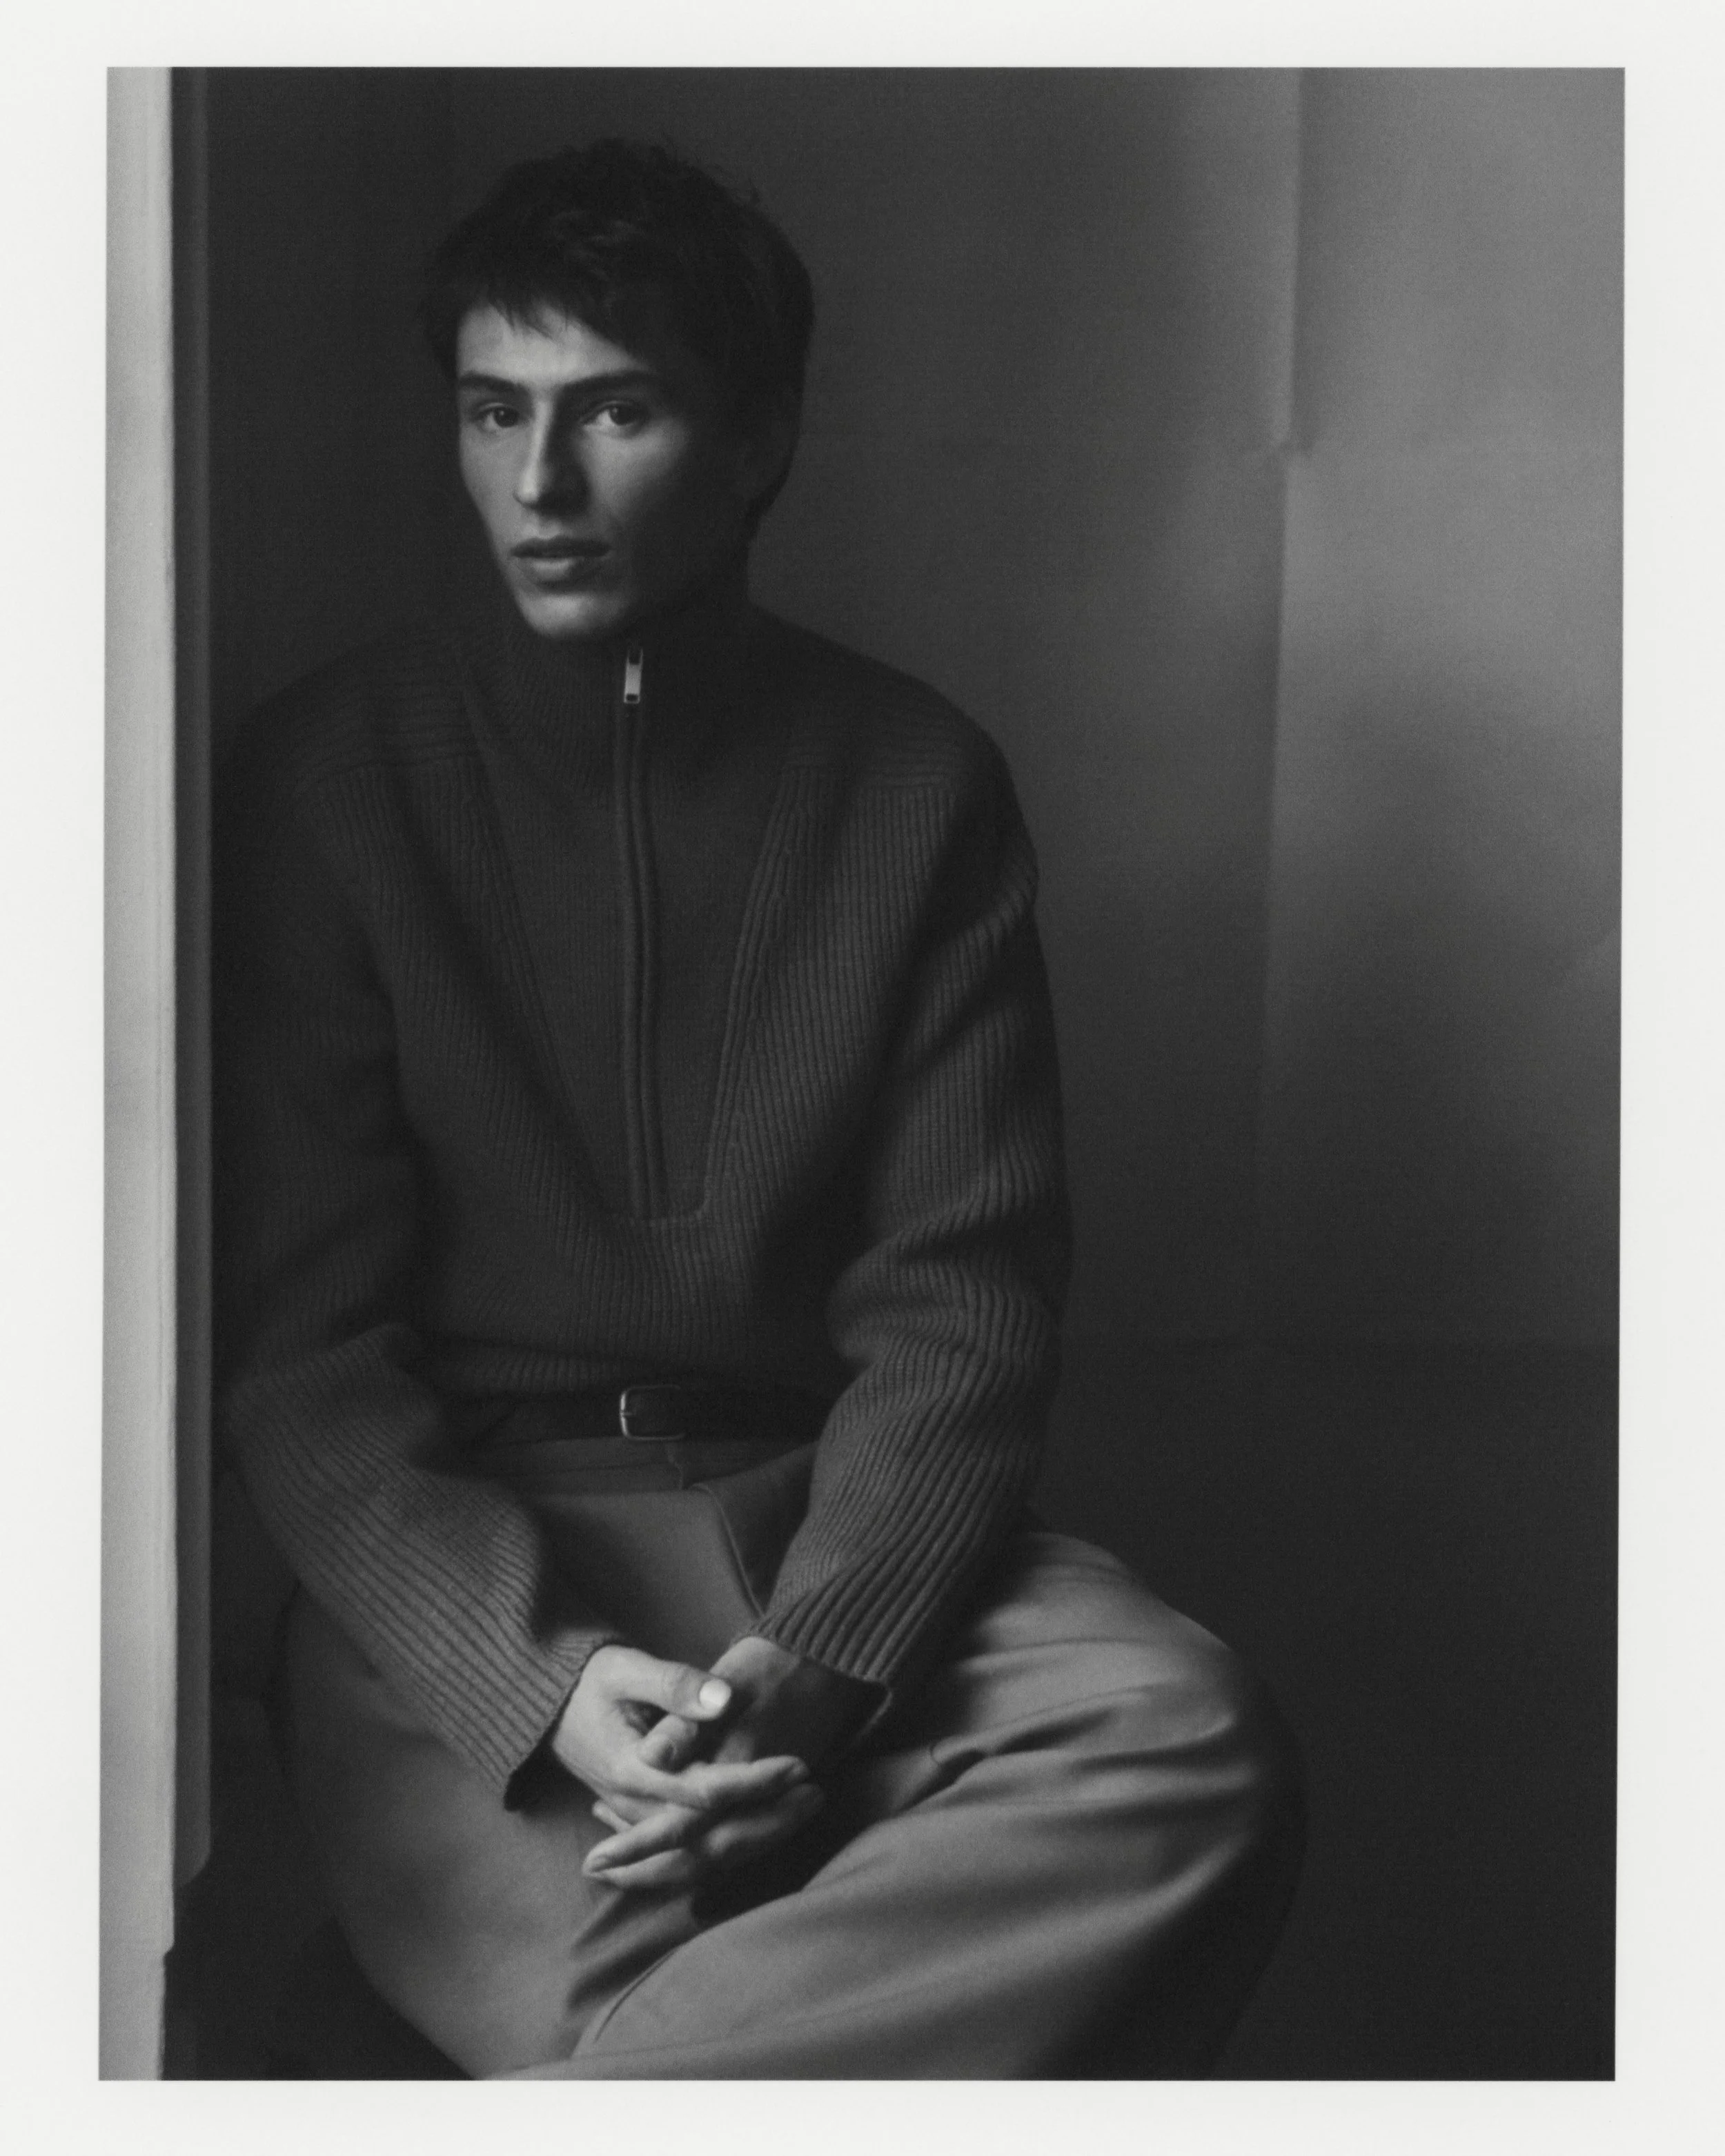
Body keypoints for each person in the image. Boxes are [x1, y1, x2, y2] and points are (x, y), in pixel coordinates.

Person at [213, 137, 1303, 2079]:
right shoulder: (327, 779)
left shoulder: (914, 782)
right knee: (635, 1999)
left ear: (759, 438)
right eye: (493, 411)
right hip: (475, 1556)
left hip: (826, 1525)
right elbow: (305, 1362)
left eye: (615, 411)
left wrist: (819, 1664)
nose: (538, 486)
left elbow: (961, 1308)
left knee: (1186, 1735)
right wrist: (535, 1682)